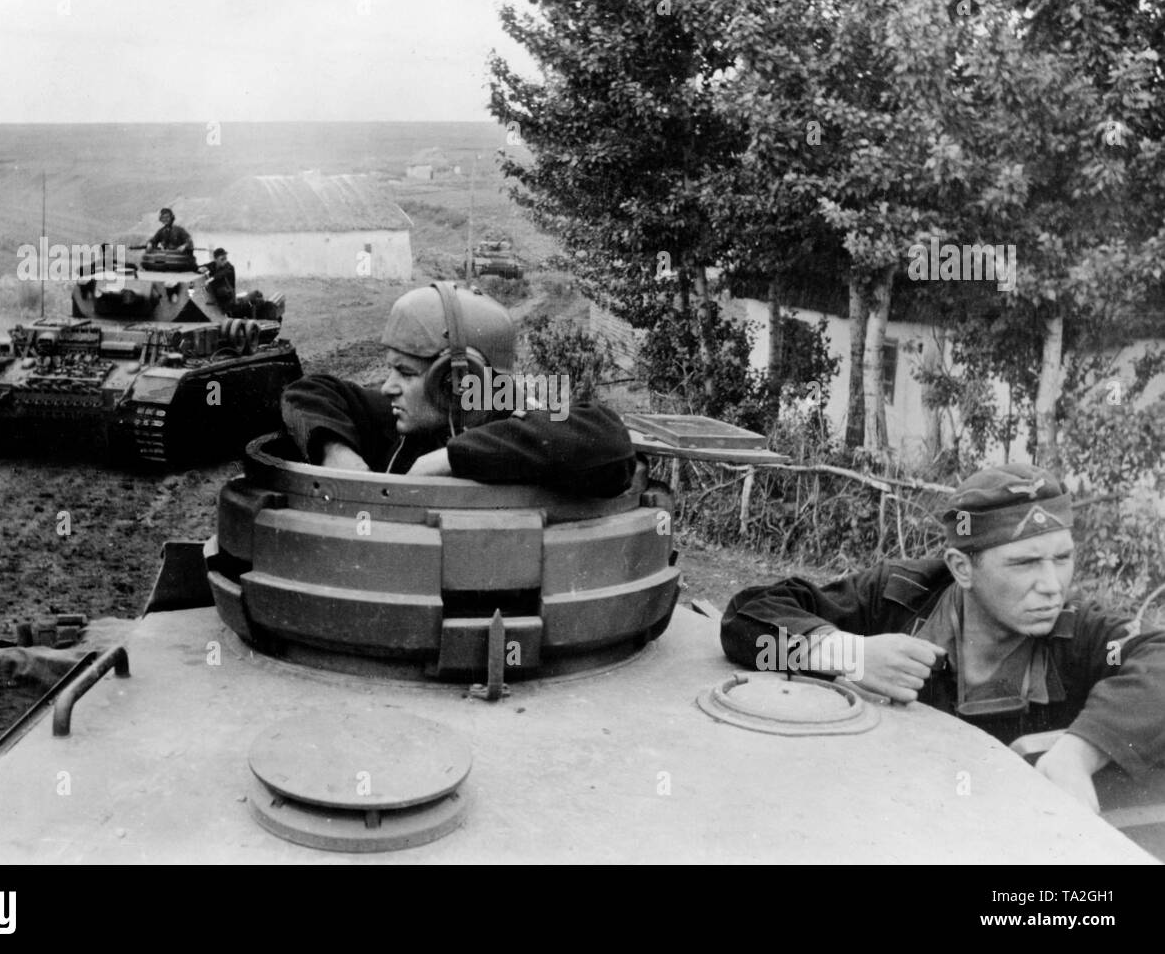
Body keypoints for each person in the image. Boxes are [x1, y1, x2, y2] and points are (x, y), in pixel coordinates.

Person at [719, 463, 1165, 811]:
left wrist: (1076, 754)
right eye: (1025, 563)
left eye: (1062, 558)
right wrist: (850, 654)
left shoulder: (1077, 631)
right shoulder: (898, 597)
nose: (1052, 584)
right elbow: (746, 620)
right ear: (962, 567)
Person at [280, 282, 636, 496]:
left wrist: (450, 458)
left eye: (405, 372)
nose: (388, 387)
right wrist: (335, 451)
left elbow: (609, 443)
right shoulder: (406, 419)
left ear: (454, 382)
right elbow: (307, 391)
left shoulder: (514, 415)